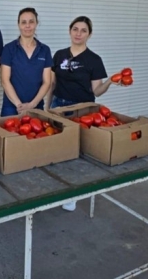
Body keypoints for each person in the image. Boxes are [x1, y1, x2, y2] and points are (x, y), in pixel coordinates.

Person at [46, 15, 122, 211]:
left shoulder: (94, 60)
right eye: (75, 29)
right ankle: (54, 189)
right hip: (59, 107)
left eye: (83, 30)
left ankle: (72, 194)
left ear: (89, 34)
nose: (78, 33)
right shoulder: (59, 55)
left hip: (82, 111)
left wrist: (110, 82)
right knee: (56, 149)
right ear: (70, 31)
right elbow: (52, 84)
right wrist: (47, 108)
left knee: (77, 152)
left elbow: (96, 91)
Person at [0, 7, 52, 116]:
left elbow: (47, 82)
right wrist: (19, 106)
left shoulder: (45, 50)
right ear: (18, 24)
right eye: (23, 22)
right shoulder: (9, 49)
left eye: (31, 22)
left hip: (36, 107)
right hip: (11, 108)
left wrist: (32, 104)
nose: (27, 26)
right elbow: (5, 80)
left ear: (36, 23)